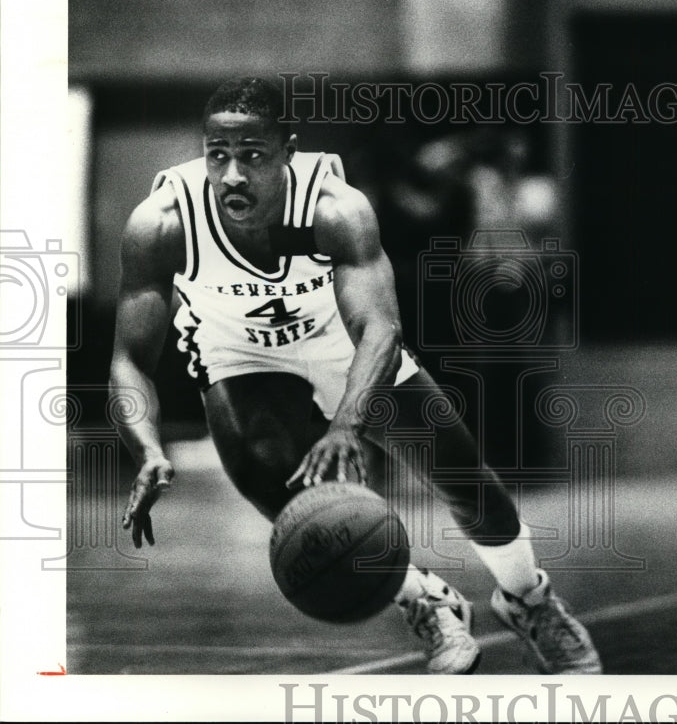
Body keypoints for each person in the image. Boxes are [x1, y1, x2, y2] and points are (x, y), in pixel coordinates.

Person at [109, 77, 602, 675]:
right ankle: (425, 599)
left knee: (468, 485)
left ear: (288, 151)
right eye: (219, 156)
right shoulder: (162, 222)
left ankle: (529, 599)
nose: (233, 175)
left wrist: (347, 421)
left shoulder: (334, 208)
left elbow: (380, 329)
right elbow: (130, 360)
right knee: (292, 503)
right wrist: (148, 449)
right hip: (238, 353)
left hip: (343, 339)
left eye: (253, 157)